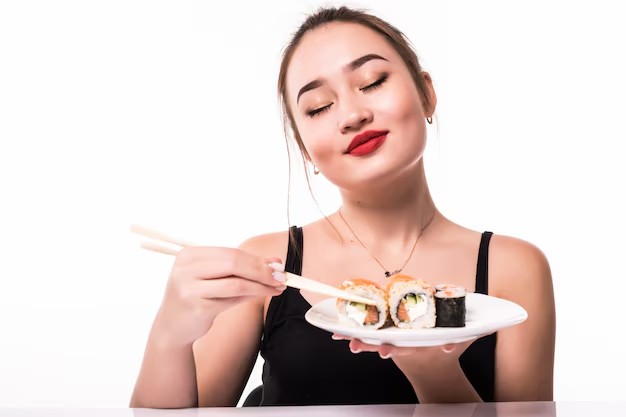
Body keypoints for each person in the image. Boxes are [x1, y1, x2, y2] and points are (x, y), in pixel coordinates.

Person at [129, 5, 555, 408]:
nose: (351, 114)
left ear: (426, 94)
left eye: (371, 81)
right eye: (319, 107)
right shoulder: (267, 265)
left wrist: (432, 370)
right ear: (307, 151)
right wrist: (170, 334)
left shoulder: (515, 267)